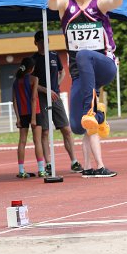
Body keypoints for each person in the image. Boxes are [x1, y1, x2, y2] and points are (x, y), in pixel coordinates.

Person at [48, 0, 127, 178]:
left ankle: (99, 160)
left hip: (104, 66)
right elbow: (54, 5)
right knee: (77, 125)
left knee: (84, 54)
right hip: (81, 76)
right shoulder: (66, 4)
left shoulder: (98, 4)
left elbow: (114, 4)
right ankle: (88, 168)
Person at [32, 30, 83, 174]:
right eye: (40, 41)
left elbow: (63, 72)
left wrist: (57, 86)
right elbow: (31, 83)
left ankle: (74, 161)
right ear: (35, 42)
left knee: (66, 129)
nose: (43, 43)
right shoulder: (34, 60)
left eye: (45, 40)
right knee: (45, 132)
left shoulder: (54, 55)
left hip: (55, 97)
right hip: (41, 97)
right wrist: (46, 90)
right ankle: (48, 164)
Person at [12, 56, 46, 178]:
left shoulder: (16, 81)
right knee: (37, 141)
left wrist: (18, 118)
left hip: (22, 114)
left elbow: (14, 101)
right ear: (32, 68)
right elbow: (33, 98)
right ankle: (41, 170)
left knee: (22, 142)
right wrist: (33, 118)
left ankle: (21, 171)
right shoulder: (34, 79)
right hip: (34, 113)